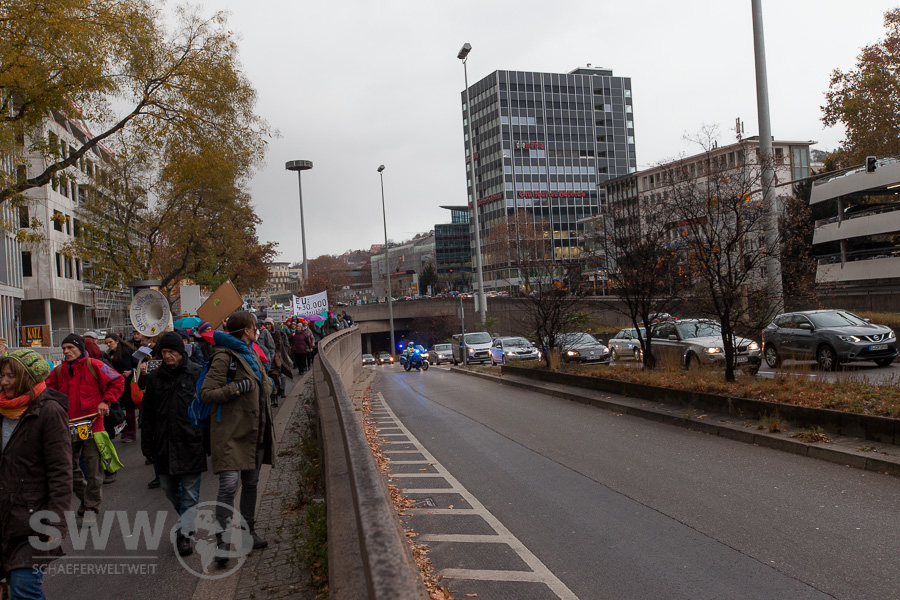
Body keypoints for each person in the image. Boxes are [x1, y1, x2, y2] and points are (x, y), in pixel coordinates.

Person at [200, 311, 274, 564]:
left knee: (251, 483)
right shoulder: (224, 356)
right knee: (229, 485)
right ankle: (222, 542)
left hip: (255, 430)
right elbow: (207, 393)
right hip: (231, 433)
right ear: (246, 330)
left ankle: (248, 532)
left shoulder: (251, 353)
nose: (257, 329)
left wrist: (268, 384)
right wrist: (236, 388)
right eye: (254, 326)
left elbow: (263, 385)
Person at [0, 349, 72, 599]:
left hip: (32, 520)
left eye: (10, 376)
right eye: (2, 375)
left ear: (27, 378)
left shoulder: (49, 411)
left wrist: (56, 523)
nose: (4, 382)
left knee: (23, 588)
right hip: (3, 517)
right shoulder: (2, 409)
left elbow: (61, 473)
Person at [46, 333, 124, 526]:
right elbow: (46, 391)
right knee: (68, 470)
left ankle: (90, 509)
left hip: (93, 425)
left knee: (94, 471)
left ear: (80, 348)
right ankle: (86, 500)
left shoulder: (95, 365)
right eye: (64, 348)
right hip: (67, 427)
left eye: (70, 348)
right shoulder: (58, 371)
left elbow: (118, 381)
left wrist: (106, 401)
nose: (66, 351)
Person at [141, 332, 206, 557]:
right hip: (163, 442)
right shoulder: (155, 378)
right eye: (164, 352)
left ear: (180, 351)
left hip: (191, 441)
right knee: (168, 487)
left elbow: (206, 409)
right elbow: (147, 413)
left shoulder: (196, 373)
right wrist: (147, 444)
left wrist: (207, 441)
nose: (167, 356)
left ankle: (185, 533)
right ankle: (187, 519)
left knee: (190, 491)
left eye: (171, 352)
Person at [104, 333, 138, 442]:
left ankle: (130, 433)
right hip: (117, 385)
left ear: (117, 341)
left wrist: (130, 371)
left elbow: (138, 364)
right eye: (107, 343)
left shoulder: (128, 351)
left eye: (110, 342)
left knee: (129, 410)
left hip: (128, 384)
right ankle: (124, 429)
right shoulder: (110, 354)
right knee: (119, 409)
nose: (108, 345)